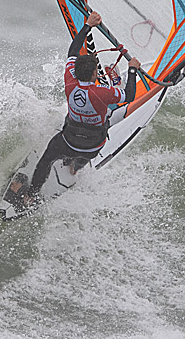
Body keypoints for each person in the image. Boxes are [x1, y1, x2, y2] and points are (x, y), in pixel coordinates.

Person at [26, 10, 140, 203]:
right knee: (100, 129)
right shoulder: (103, 93)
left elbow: (73, 52)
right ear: (95, 74)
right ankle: (75, 168)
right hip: (92, 146)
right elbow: (129, 96)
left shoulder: (70, 81)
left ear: (77, 71)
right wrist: (132, 69)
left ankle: (31, 195)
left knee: (46, 159)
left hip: (68, 141)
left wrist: (87, 25)